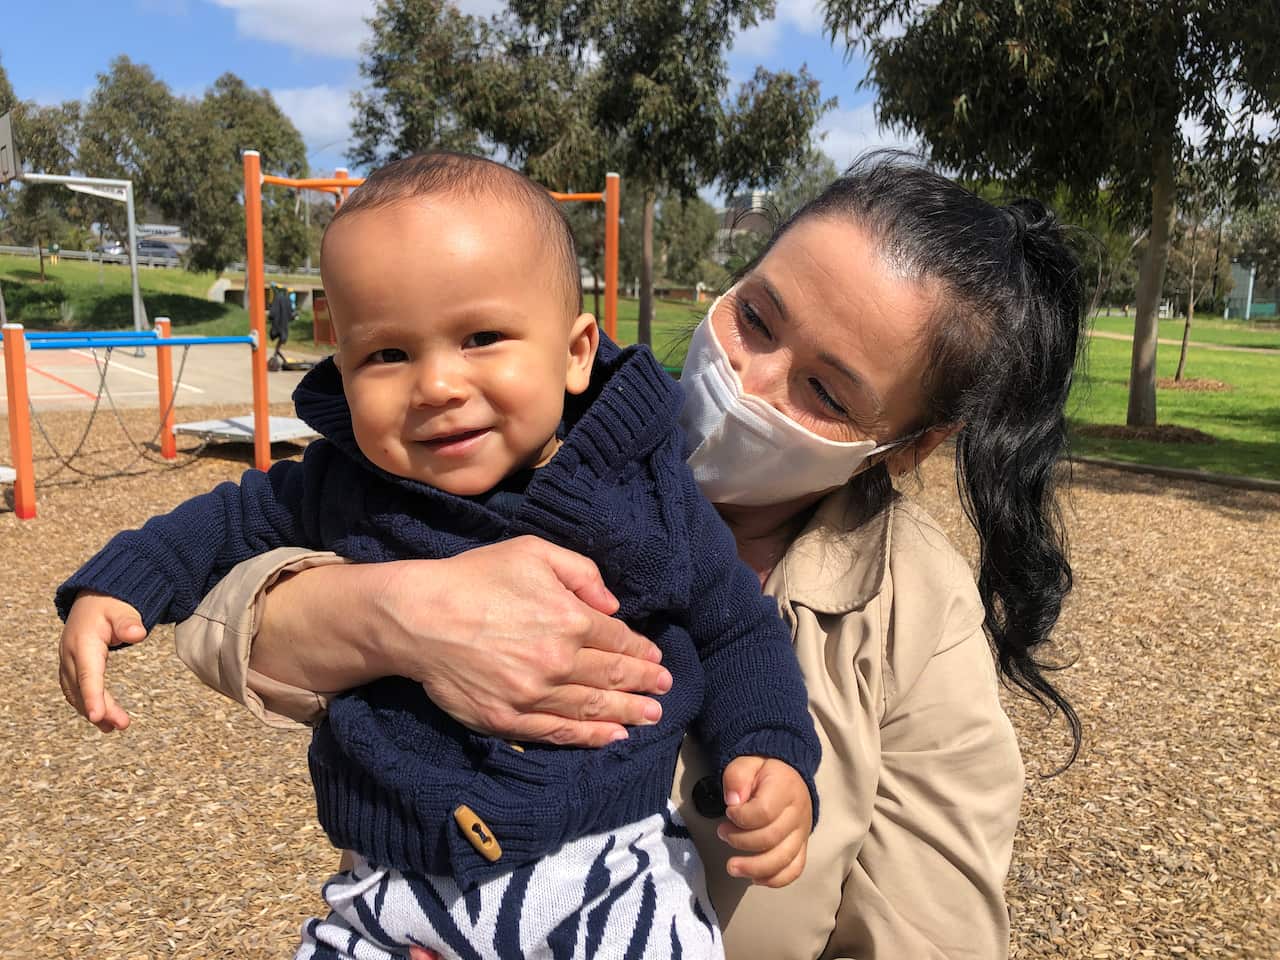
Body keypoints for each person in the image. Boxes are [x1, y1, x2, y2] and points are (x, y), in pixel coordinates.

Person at [61, 152, 1086, 959]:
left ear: (904, 445)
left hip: (610, 902)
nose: (750, 377)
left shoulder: (910, 612)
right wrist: (376, 612)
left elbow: (928, 930)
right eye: (756, 317)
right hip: (408, 891)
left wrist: (772, 759)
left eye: (824, 391)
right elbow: (241, 553)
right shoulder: (455, 456)